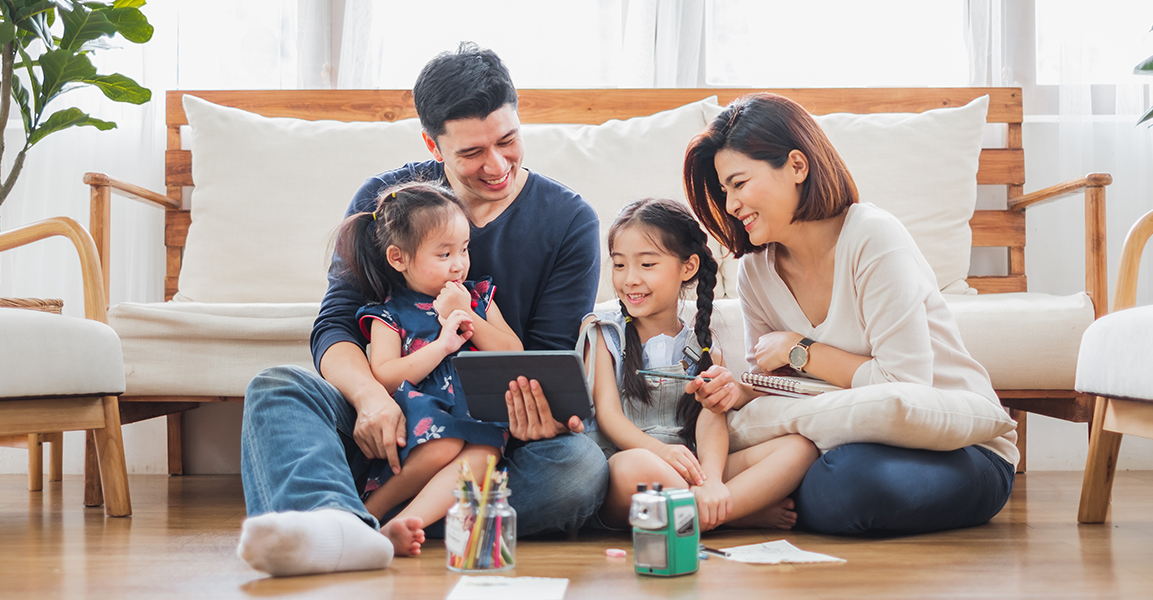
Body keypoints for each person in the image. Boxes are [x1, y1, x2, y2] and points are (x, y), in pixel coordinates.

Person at [237, 43, 607, 577]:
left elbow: (544, 357)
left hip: (489, 438)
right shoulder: (388, 201)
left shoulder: (568, 220)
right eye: (472, 152)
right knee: (277, 389)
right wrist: (370, 399)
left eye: (508, 140)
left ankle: (349, 518)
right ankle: (345, 522)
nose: (497, 165)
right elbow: (336, 324)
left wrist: (534, 416)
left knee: (579, 469)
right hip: (389, 424)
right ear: (433, 144)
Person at [681, 93, 1018, 535]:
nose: (730, 205)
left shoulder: (873, 238)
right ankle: (755, 500)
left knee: (844, 487)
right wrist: (739, 391)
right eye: (725, 191)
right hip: (843, 443)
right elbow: (779, 389)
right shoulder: (755, 272)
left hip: (960, 449)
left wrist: (801, 350)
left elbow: (904, 386)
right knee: (823, 474)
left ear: (797, 166)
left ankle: (755, 501)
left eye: (739, 183)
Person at [581, 198, 818, 531]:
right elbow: (608, 416)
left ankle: (706, 507)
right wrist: (659, 452)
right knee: (636, 466)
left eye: (647, 264)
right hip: (628, 468)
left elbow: (711, 421)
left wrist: (712, 479)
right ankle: (735, 514)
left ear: (688, 267)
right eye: (619, 265)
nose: (630, 279)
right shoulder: (603, 333)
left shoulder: (703, 346)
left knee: (799, 448)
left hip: (687, 467)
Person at [333, 182, 521, 555]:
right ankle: (369, 513)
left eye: (464, 249)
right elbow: (385, 376)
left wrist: (465, 313)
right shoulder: (390, 313)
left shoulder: (477, 298)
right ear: (398, 258)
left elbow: (513, 353)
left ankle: (405, 523)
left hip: (479, 414)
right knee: (443, 444)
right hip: (424, 415)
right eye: (444, 254)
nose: (459, 264)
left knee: (484, 456)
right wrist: (442, 347)